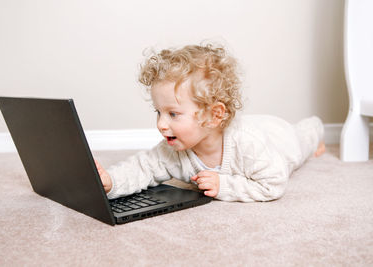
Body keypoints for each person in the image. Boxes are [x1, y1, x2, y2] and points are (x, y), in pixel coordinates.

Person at [95, 43, 325, 202]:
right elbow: (142, 167)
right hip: (250, 127)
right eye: (159, 112)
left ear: (214, 116)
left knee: (304, 137)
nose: (161, 125)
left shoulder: (250, 146)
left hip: (278, 137)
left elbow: (273, 185)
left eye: (173, 114)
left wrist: (224, 186)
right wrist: (111, 181)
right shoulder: (173, 151)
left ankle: (317, 128)